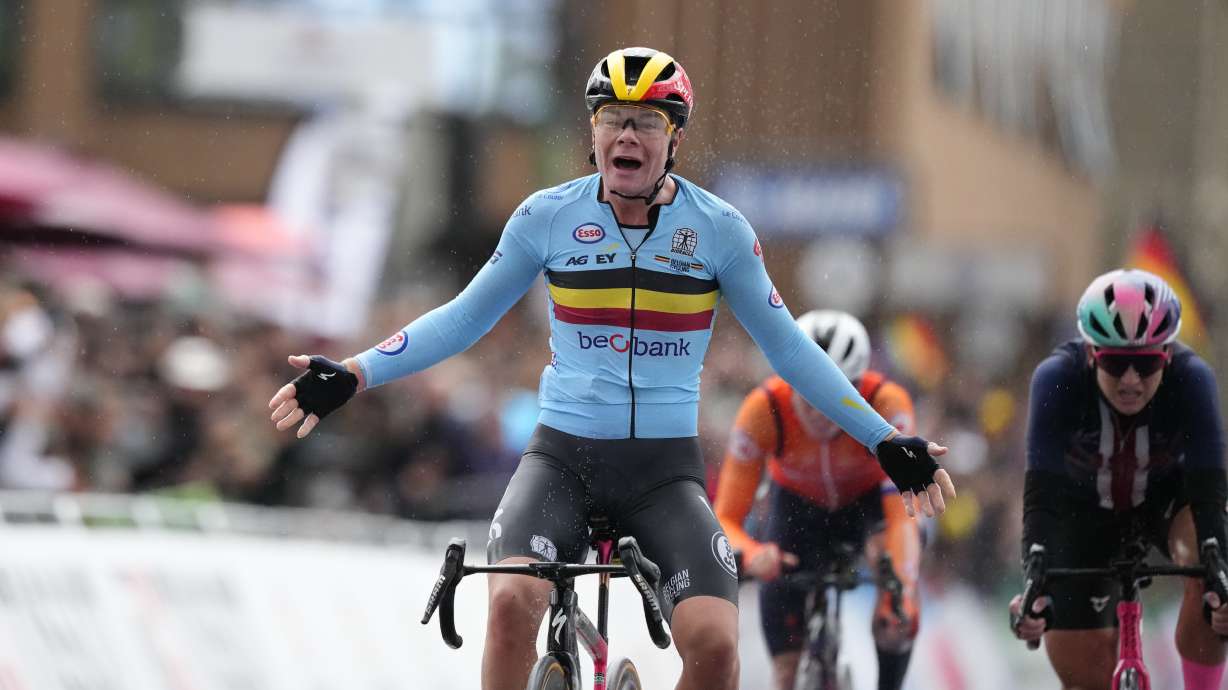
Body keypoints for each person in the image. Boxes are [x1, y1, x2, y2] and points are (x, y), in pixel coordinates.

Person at [268, 46, 955, 690]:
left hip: (664, 477)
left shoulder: (719, 230)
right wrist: (354, 373)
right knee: (508, 604)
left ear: (674, 139)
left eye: (647, 122)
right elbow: (462, 318)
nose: (628, 135)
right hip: (561, 462)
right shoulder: (546, 216)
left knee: (716, 648)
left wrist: (882, 441)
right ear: (593, 133)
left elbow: (791, 351)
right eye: (613, 119)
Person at [1009, 268, 1228, 690]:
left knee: (1210, 571)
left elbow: (1209, 490)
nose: (1130, 380)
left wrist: (1219, 574)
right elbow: (1042, 494)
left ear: (1166, 354)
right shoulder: (1057, 378)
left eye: (1145, 364)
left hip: (1167, 504)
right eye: (1115, 362)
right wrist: (1034, 574)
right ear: (1091, 354)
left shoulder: (1193, 379)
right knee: (1084, 674)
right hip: (1081, 512)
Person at [715, 310, 922, 690]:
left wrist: (900, 592)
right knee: (785, 674)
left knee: (896, 617)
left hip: (869, 509)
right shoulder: (762, 410)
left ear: (859, 388)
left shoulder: (888, 402)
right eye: (808, 393)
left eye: (837, 393)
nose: (822, 410)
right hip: (795, 511)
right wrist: (753, 553)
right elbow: (725, 518)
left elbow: (902, 518)